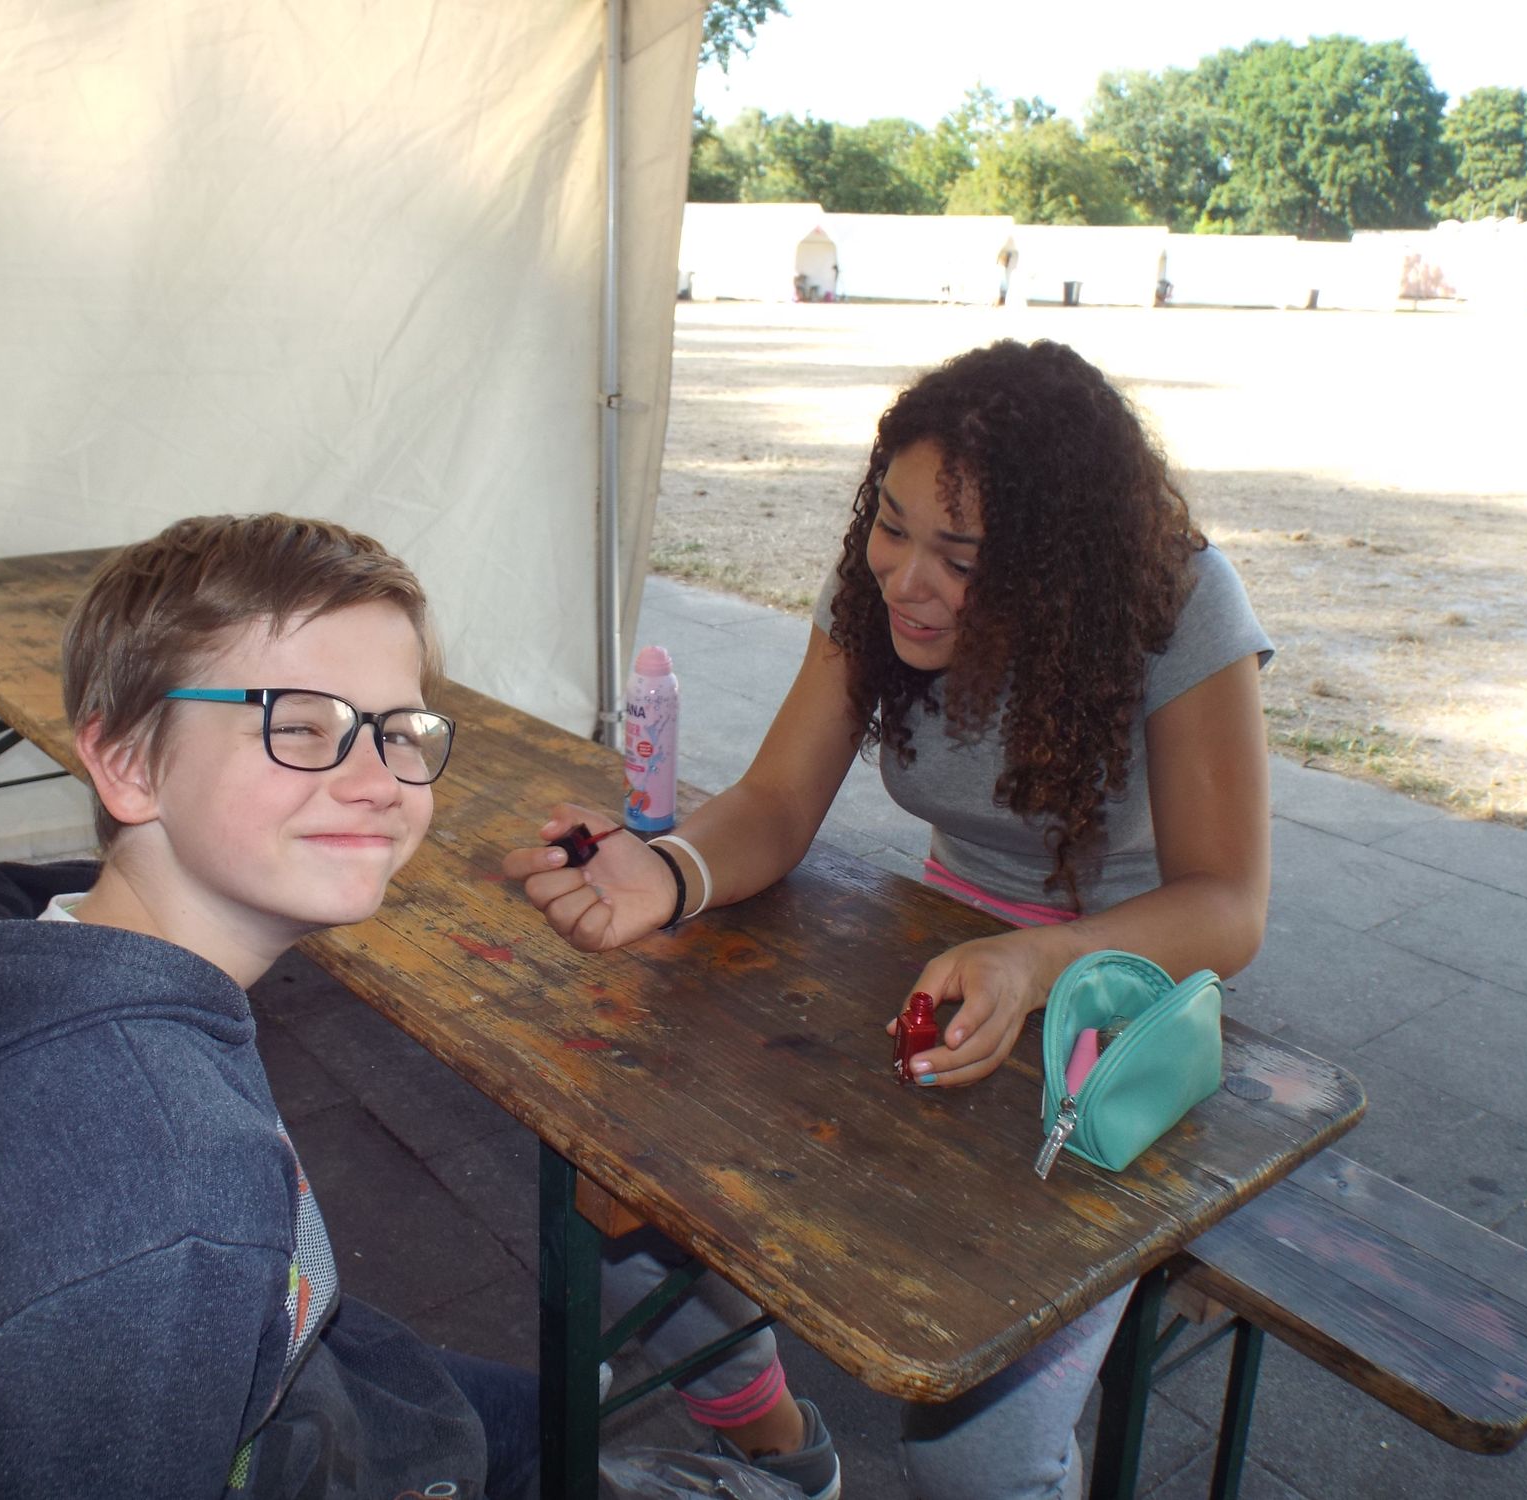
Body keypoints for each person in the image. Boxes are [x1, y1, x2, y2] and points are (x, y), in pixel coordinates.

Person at [504, 338, 1273, 1500]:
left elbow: (1226, 905)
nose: (905, 577)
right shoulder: (883, 590)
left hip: (1117, 1009)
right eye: (891, 525)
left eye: (960, 557)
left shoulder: (1179, 600)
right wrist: (668, 872)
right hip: (932, 952)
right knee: (616, 1210)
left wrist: (1034, 961)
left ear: (1058, 568)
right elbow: (775, 800)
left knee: (970, 1452)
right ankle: (781, 1456)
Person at [0, 514, 538, 1499]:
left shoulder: (35, 954)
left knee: (545, 1410)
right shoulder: (168, 1191)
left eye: (400, 732)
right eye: (299, 725)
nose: (377, 782)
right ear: (130, 766)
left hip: (290, 1375)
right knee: (558, 1435)